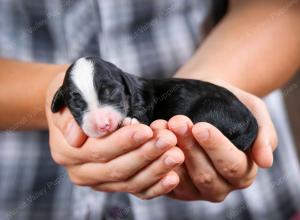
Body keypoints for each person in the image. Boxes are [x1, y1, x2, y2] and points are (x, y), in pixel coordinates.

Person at [1, 0, 300, 220]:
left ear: (126, 87)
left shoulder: (142, 98)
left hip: (243, 200)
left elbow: (285, 8)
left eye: (108, 97)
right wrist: (46, 95)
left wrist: (213, 80)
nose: (101, 120)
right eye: (79, 104)